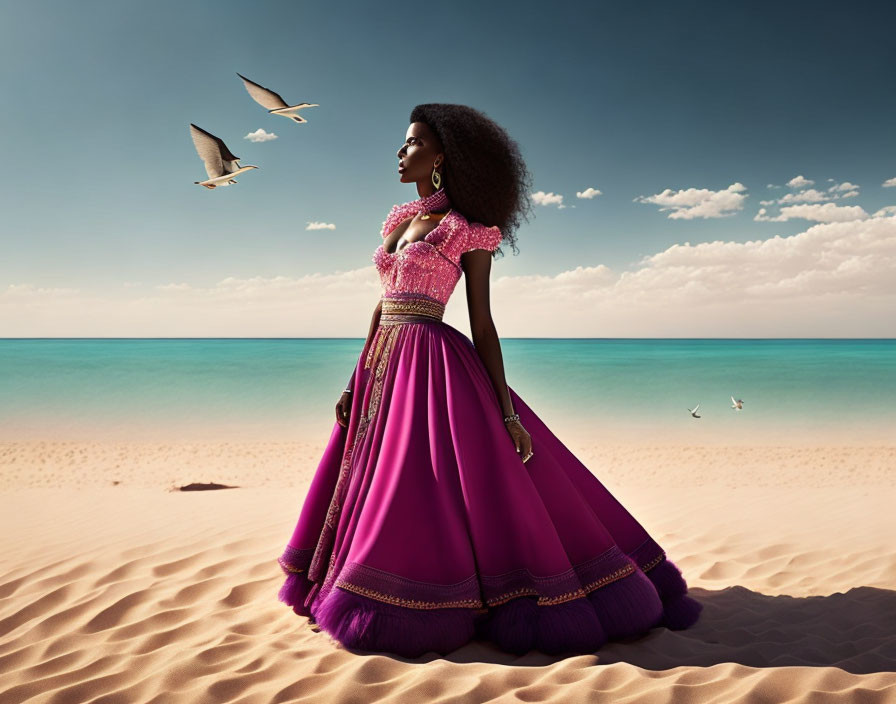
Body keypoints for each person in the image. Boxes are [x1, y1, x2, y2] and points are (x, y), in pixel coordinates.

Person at [276, 104, 702, 657]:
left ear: (441, 155)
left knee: (419, 484)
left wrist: (508, 414)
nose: (400, 153)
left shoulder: (467, 231)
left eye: (411, 144)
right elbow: (382, 306)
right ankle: (343, 583)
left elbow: (482, 322)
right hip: (382, 364)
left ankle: (425, 599)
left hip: (431, 362)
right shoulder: (397, 220)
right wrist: (355, 377)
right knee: (369, 476)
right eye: (402, 144)